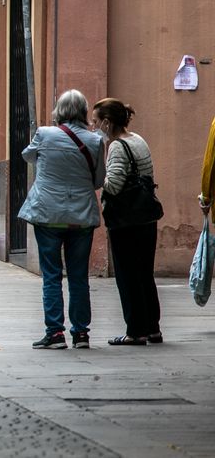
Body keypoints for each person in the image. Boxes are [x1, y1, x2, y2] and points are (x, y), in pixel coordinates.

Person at [19, 89, 105, 350]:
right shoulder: (95, 140)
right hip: (81, 216)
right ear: (83, 110)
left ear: (59, 110)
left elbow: (27, 156)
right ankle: (81, 334)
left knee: (52, 276)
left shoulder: (44, 134)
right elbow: (98, 180)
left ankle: (55, 333)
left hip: (48, 215)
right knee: (79, 277)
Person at [93, 98, 162, 346]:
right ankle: (153, 328)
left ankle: (135, 331)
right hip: (146, 215)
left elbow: (114, 184)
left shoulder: (117, 147)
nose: (95, 126)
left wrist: (97, 174)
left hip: (126, 220)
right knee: (144, 273)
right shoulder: (138, 140)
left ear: (107, 122)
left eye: (96, 121)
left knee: (127, 275)